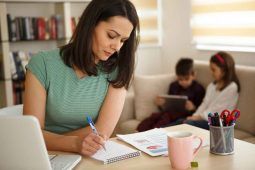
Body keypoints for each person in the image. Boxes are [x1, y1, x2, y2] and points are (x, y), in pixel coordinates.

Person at [23, 0, 139, 156]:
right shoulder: (42, 64)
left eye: (123, 40)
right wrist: (74, 144)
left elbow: (103, 130)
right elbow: (31, 136)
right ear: (90, 25)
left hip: (92, 155)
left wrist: (50, 139)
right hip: (46, 155)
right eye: (111, 36)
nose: (117, 47)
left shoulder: (119, 71)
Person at [167, 51, 240, 130]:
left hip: (218, 123)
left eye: (213, 70)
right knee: (182, 121)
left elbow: (216, 110)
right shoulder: (212, 86)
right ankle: (159, 132)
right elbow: (204, 104)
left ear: (224, 70)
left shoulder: (232, 87)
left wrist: (197, 117)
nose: (211, 72)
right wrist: (194, 115)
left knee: (187, 123)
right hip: (205, 119)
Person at [137, 58, 205, 132]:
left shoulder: (198, 89)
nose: (183, 82)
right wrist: (161, 104)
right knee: (154, 116)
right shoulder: (174, 86)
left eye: (186, 79)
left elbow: (200, 110)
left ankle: (154, 132)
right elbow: (168, 105)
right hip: (169, 112)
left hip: (184, 116)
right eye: (180, 79)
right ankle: (139, 132)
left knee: (166, 117)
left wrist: (193, 108)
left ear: (193, 75)